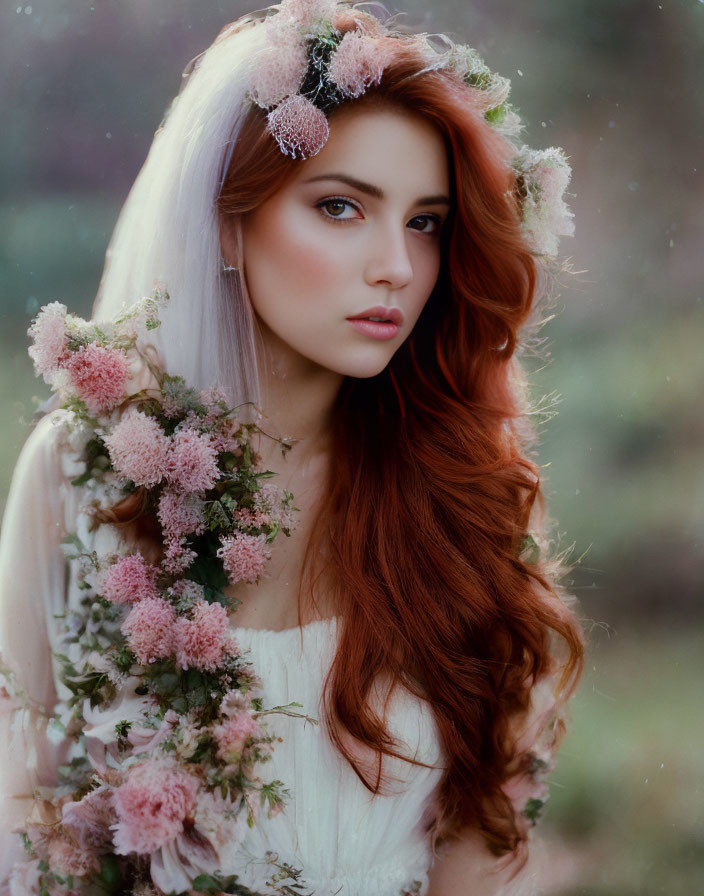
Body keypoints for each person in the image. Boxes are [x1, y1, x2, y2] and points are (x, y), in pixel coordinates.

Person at [0, 1, 584, 894]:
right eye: (342, 207)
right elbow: (32, 816)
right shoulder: (81, 476)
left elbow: (487, 829)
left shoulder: (474, 490)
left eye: (425, 221)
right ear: (232, 223)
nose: (395, 263)